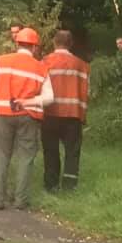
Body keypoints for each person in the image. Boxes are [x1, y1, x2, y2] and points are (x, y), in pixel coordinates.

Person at [0, 27, 52, 210]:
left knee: (1, 155)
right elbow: (49, 98)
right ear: (34, 47)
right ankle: (20, 200)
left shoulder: (4, 61)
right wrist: (30, 100)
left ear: (17, 43)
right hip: (28, 116)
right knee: (25, 157)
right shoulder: (40, 68)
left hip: (3, 115)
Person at [42, 30, 90, 191]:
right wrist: (83, 116)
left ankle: (51, 185)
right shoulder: (81, 65)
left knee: (50, 150)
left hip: (50, 114)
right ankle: (70, 186)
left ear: (54, 42)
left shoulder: (45, 62)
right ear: (71, 44)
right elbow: (85, 94)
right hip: (73, 115)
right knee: (72, 152)